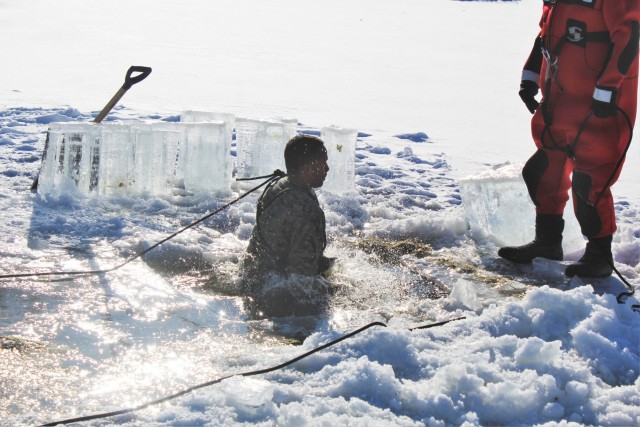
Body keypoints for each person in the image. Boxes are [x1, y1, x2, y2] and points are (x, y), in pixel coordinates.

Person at [498, 0, 639, 278]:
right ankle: (547, 242)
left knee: (590, 182)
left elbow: (629, 37)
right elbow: (546, 32)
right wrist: (530, 76)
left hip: (601, 102)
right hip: (559, 99)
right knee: (544, 171)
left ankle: (599, 256)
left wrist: (607, 90)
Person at [241, 134, 335, 317]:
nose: (327, 168)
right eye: (323, 163)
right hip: (272, 294)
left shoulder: (279, 185)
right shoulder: (308, 212)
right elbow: (301, 281)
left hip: (252, 274)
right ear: (307, 169)